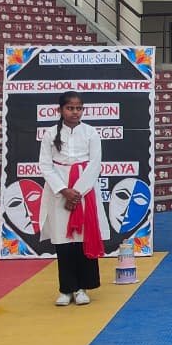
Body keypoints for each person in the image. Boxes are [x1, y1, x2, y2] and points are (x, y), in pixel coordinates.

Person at [38, 91, 107, 306]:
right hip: (59, 190)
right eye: (70, 108)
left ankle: (82, 288)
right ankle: (66, 289)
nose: (75, 112)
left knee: (82, 238)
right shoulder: (50, 134)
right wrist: (64, 190)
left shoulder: (90, 132)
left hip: (84, 191)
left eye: (78, 108)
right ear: (60, 110)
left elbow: (95, 164)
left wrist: (76, 193)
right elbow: (45, 165)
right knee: (63, 241)